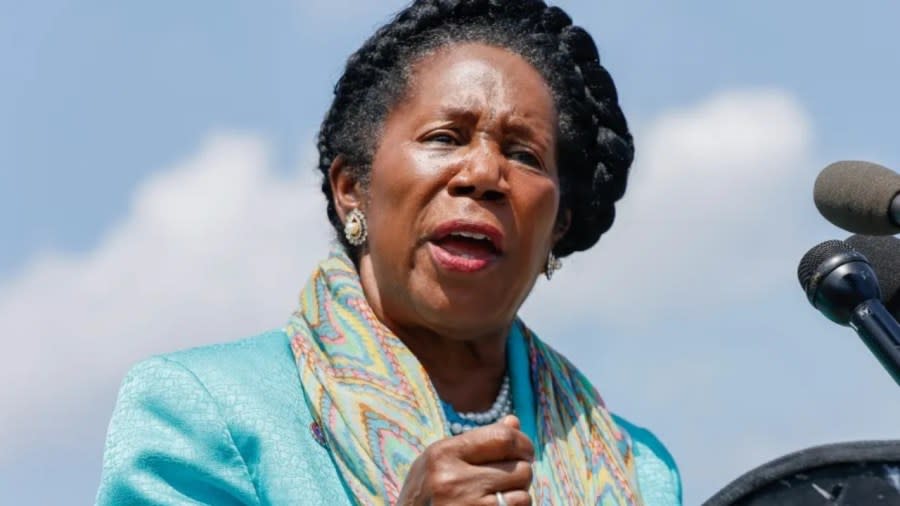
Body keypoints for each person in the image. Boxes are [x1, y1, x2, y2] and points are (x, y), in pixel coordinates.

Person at [96, 1, 682, 504]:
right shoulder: (201, 412)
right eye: (445, 138)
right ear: (352, 187)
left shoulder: (640, 473)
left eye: (524, 155)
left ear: (559, 227)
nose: (483, 173)